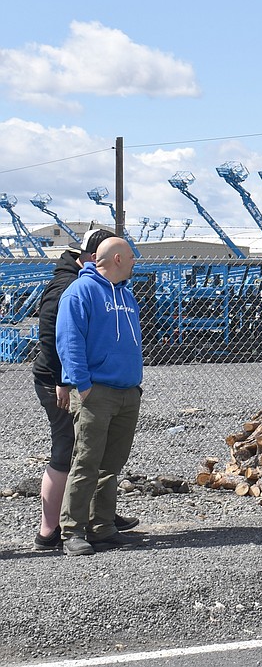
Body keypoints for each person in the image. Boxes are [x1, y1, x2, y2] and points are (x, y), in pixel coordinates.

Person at [31, 229, 140, 551]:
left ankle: (102, 527)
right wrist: (82, 386)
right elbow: (69, 340)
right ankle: (72, 532)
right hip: (96, 393)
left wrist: (135, 385)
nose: (136, 262)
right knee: (86, 463)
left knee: (110, 466)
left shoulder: (126, 294)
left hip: (126, 391)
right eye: (132, 256)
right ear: (117, 259)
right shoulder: (80, 291)